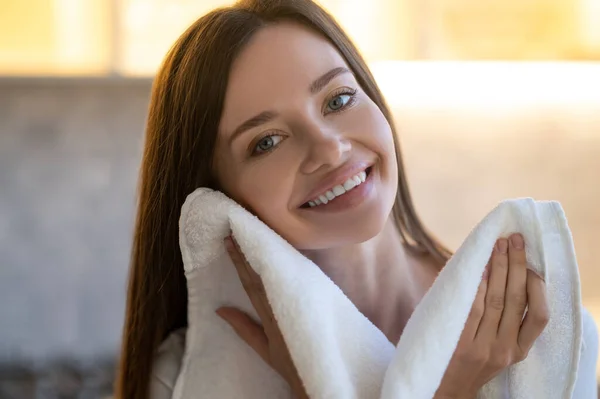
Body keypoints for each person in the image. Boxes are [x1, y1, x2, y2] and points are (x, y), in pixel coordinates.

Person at [115, 1, 599, 398]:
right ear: (217, 200)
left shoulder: (539, 324)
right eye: (266, 141)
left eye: (338, 100)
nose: (328, 147)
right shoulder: (185, 380)